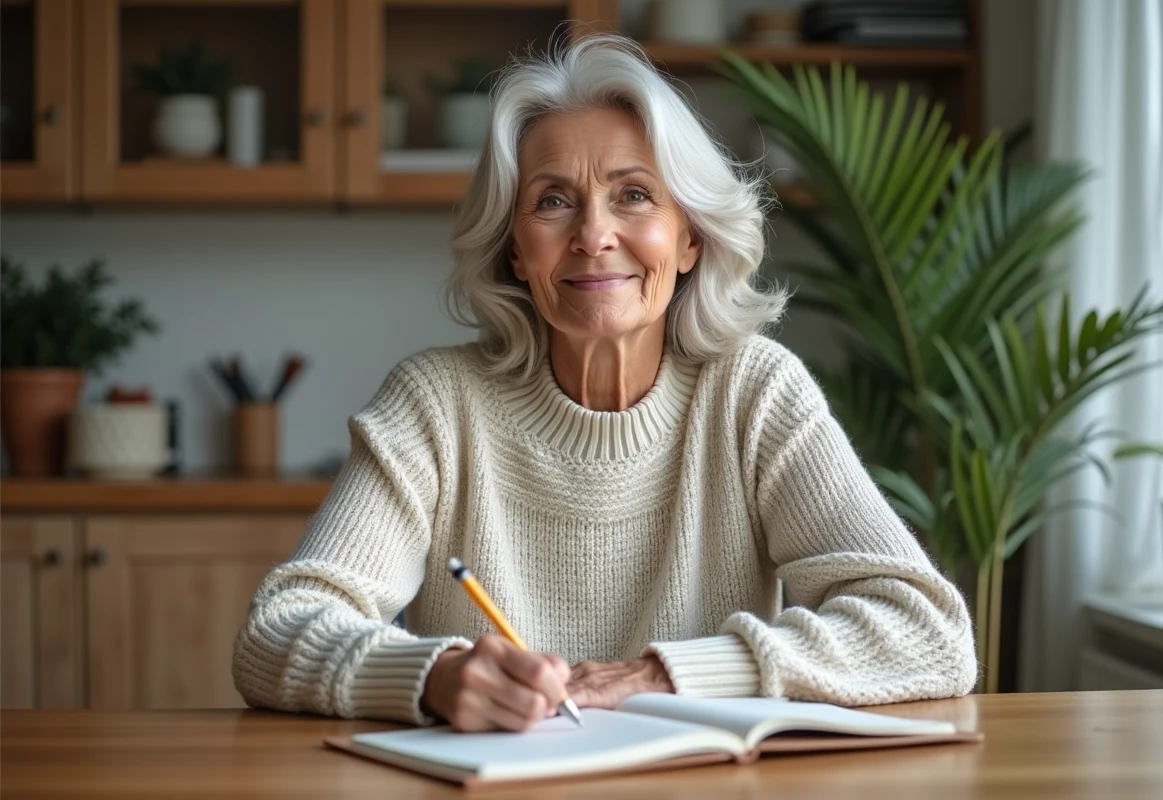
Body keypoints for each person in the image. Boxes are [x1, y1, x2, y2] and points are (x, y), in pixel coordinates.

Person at [232, 34, 975, 733]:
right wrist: (434, 675)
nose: (593, 234)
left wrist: (666, 674)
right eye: (553, 201)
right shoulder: (435, 403)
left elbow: (929, 633)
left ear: (690, 239)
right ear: (515, 252)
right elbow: (276, 630)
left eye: (634, 195)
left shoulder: (754, 393)